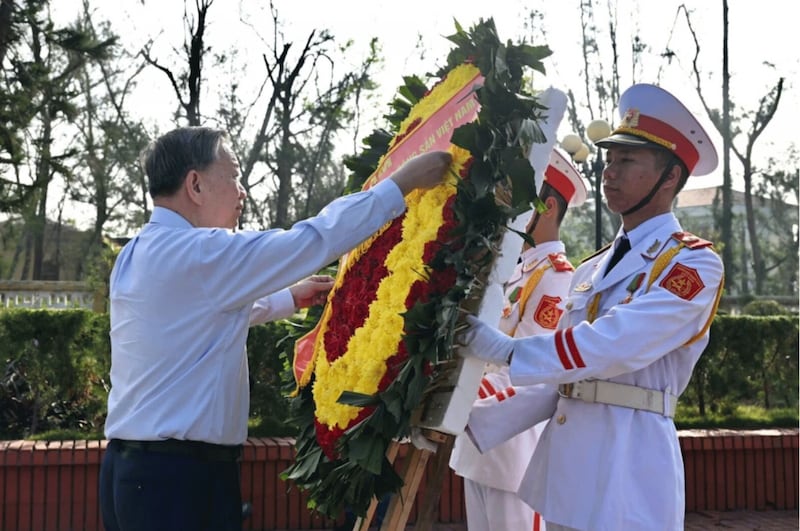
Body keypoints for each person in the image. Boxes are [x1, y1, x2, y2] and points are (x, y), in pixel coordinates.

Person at [98, 125, 452, 531]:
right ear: (194, 184)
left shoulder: (141, 252)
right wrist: (400, 184)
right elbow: (311, 239)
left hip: (137, 473)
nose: (241, 191)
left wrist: (289, 298)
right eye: (232, 176)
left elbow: (196, 318)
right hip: (177, 481)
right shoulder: (197, 252)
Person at [457, 84, 725, 531]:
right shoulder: (592, 268)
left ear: (670, 177)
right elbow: (564, 376)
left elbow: (615, 344)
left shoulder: (693, 263)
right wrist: (468, 415)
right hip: (567, 471)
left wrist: (506, 351)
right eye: (609, 160)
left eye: (627, 161)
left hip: (629, 466)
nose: (610, 173)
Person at [449, 148, 587, 531]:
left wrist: (461, 395)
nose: (508, 208)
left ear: (547, 206)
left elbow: (531, 364)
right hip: (478, 443)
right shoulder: (514, 271)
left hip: (513, 445)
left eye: (520, 198)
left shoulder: (557, 278)